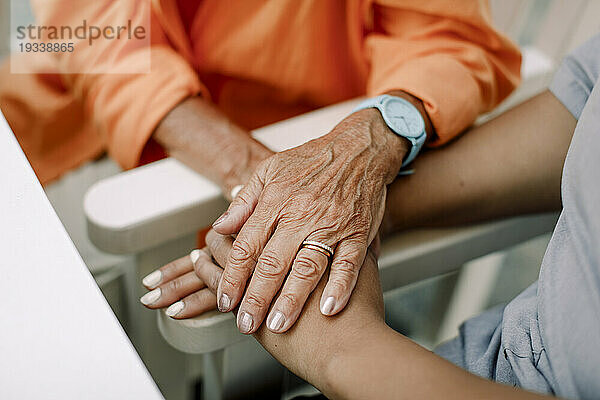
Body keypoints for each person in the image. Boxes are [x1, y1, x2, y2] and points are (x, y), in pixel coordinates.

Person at [1, 1, 520, 333]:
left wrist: (373, 136)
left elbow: (449, 39)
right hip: (93, 84)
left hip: (314, 119)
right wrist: (272, 184)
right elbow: (94, 31)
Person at [141, 33, 600, 399]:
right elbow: (582, 110)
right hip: (476, 353)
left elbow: (449, 37)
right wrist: (328, 208)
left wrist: (346, 351)